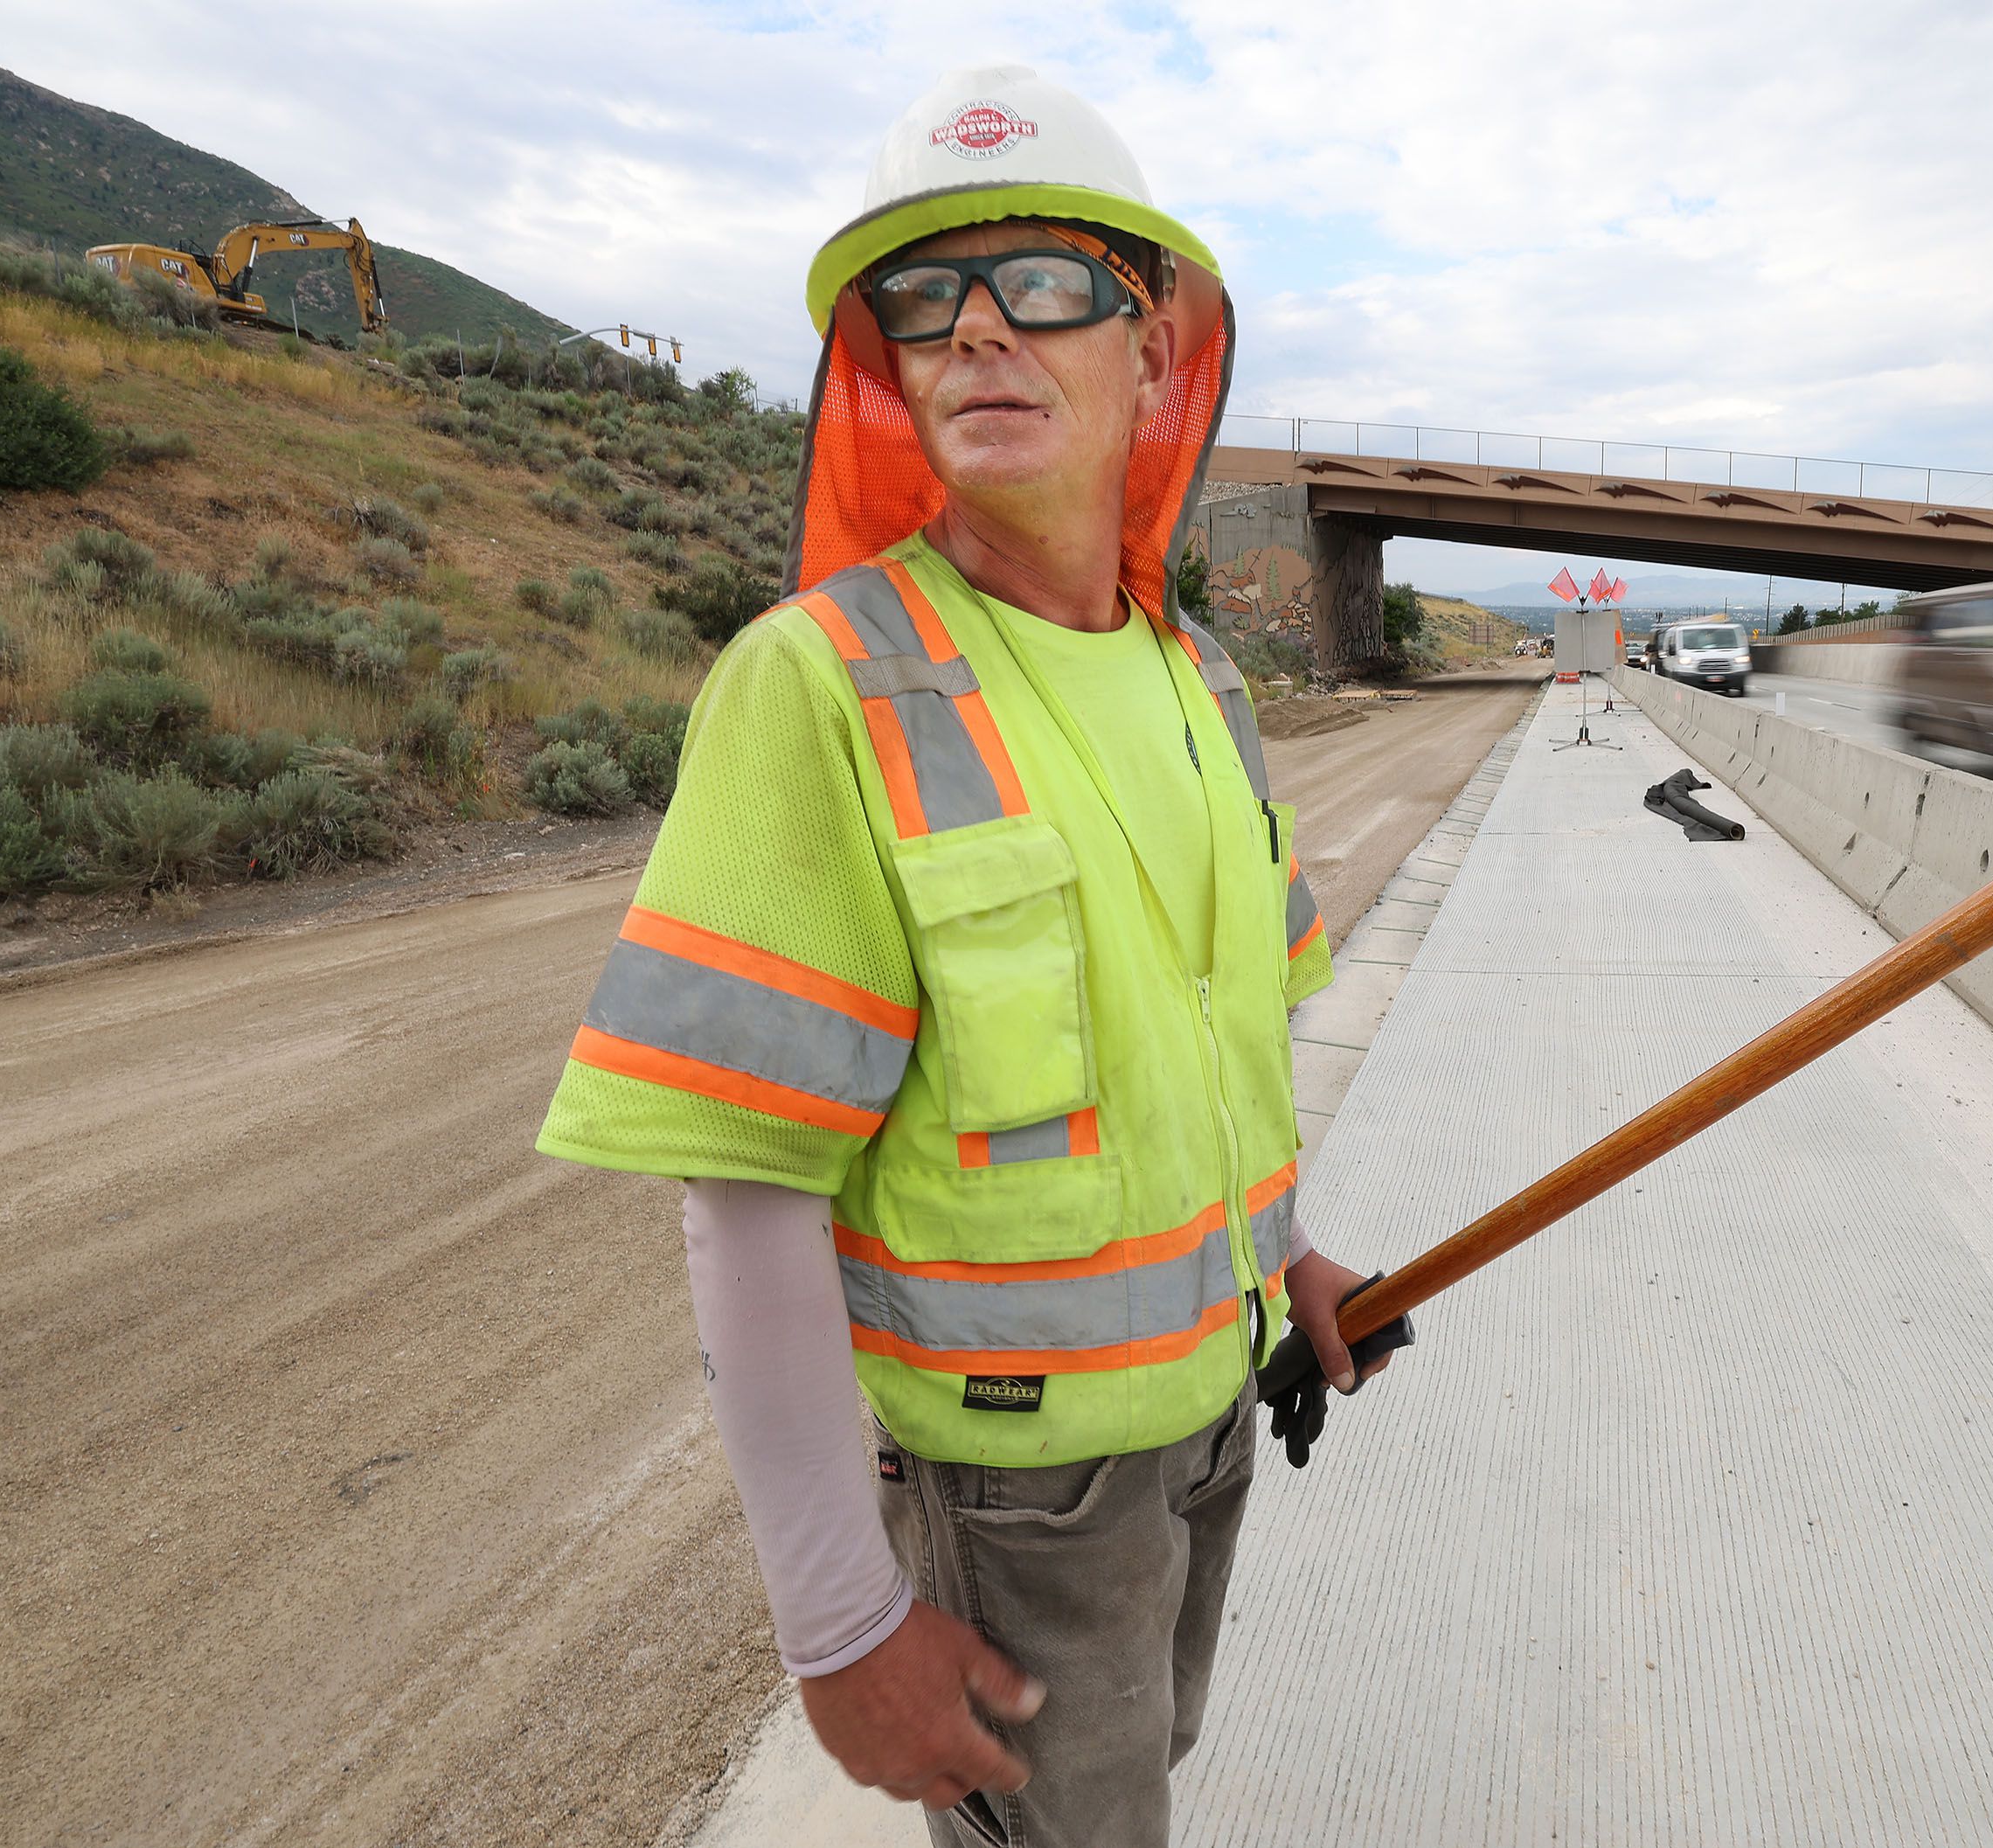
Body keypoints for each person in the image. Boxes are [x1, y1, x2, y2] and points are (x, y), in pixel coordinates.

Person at [536, 64, 1394, 1846]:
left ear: (1154, 349)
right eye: (926, 300)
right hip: (1019, 1493)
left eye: (1047, 284)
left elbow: (1216, 1043)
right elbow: (746, 1192)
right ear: (893, 370)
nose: (983, 331)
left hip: (1213, 1424)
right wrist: (843, 1621)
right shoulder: (819, 682)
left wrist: (1292, 1260)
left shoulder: (1198, 683)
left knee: (1132, 1791)